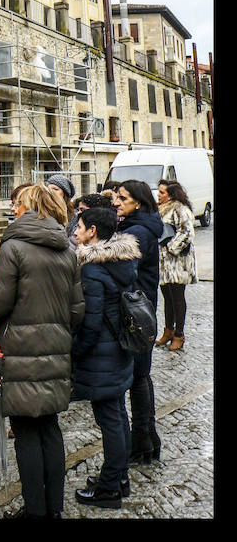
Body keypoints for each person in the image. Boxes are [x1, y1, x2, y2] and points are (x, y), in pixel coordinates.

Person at [0, 183, 85, 520]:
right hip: (56, 346)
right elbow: (76, 311)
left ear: (29, 208)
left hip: (19, 348)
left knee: (26, 431)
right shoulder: (67, 250)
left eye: (18, 204)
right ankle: (53, 509)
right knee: (50, 428)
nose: (13, 208)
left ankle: (35, 510)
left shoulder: (13, 247)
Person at [71, 207, 141, 510]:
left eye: (80, 226)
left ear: (93, 232)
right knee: (118, 416)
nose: (75, 231)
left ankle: (110, 488)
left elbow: (91, 322)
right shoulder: (121, 260)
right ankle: (120, 478)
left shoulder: (93, 268)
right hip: (119, 351)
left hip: (103, 355)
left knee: (111, 420)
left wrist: (75, 353)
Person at [113, 180, 163, 463]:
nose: (117, 202)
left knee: (138, 377)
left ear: (139, 203)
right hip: (143, 310)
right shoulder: (139, 227)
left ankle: (142, 441)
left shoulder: (137, 232)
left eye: (123, 198)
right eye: (116, 197)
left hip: (136, 313)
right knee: (140, 376)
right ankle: (148, 440)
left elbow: (122, 272)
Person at [156, 180, 197, 351]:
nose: (158, 195)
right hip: (165, 262)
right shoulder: (162, 209)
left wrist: (170, 248)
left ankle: (179, 334)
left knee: (178, 297)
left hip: (178, 261)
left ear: (171, 195)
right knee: (167, 296)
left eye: (162, 192)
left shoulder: (181, 209)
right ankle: (168, 331)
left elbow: (187, 232)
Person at [46, 172, 77, 237]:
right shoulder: (42, 212)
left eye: (55, 189)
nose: (51, 192)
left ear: (65, 193)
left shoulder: (74, 216)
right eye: (48, 189)